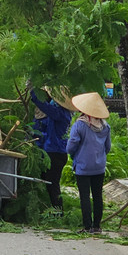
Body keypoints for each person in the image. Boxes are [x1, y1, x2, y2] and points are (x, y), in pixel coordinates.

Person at [66, 92, 111, 234]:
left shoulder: (80, 125)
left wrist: (75, 156)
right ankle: (97, 226)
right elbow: (108, 147)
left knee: (84, 196)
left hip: (83, 166)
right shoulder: (105, 126)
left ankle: (87, 226)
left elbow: (70, 147)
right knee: (98, 196)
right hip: (99, 167)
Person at [29, 84, 74, 212]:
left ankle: (58, 212)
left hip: (55, 153)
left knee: (52, 185)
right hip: (54, 152)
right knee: (47, 182)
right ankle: (52, 210)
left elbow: (43, 106)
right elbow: (46, 132)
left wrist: (33, 91)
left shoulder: (59, 113)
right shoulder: (60, 113)